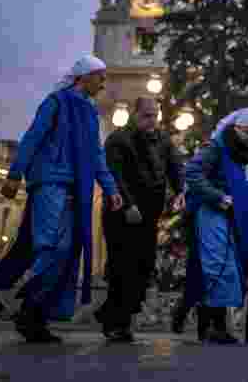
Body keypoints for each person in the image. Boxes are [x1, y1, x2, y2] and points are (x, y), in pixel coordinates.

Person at [0, 55, 123, 343]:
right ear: (82, 77)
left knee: (65, 250)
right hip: (51, 183)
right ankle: (21, 302)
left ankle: (34, 313)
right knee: (50, 245)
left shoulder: (89, 112)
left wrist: (111, 189)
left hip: (76, 189)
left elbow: (96, 155)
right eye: (99, 76)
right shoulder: (56, 102)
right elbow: (33, 137)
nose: (103, 82)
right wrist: (14, 174)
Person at [96, 97, 185, 342]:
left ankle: (115, 316)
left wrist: (181, 192)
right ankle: (116, 322)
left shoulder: (162, 139)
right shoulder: (118, 140)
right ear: (135, 114)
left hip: (148, 213)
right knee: (122, 266)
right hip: (120, 213)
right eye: (147, 115)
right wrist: (128, 204)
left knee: (143, 266)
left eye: (154, 115)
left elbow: (175, 167)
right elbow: (115, 175)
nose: (151, 121)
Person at [181, 108, 248, 344]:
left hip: (236, 216)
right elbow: (193, 172)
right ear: (235, 129)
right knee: (218, 266)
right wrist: (217, 196)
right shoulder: (215, 147)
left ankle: (217, 325)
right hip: (212, 211)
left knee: (232, 269)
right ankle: (210, 326)